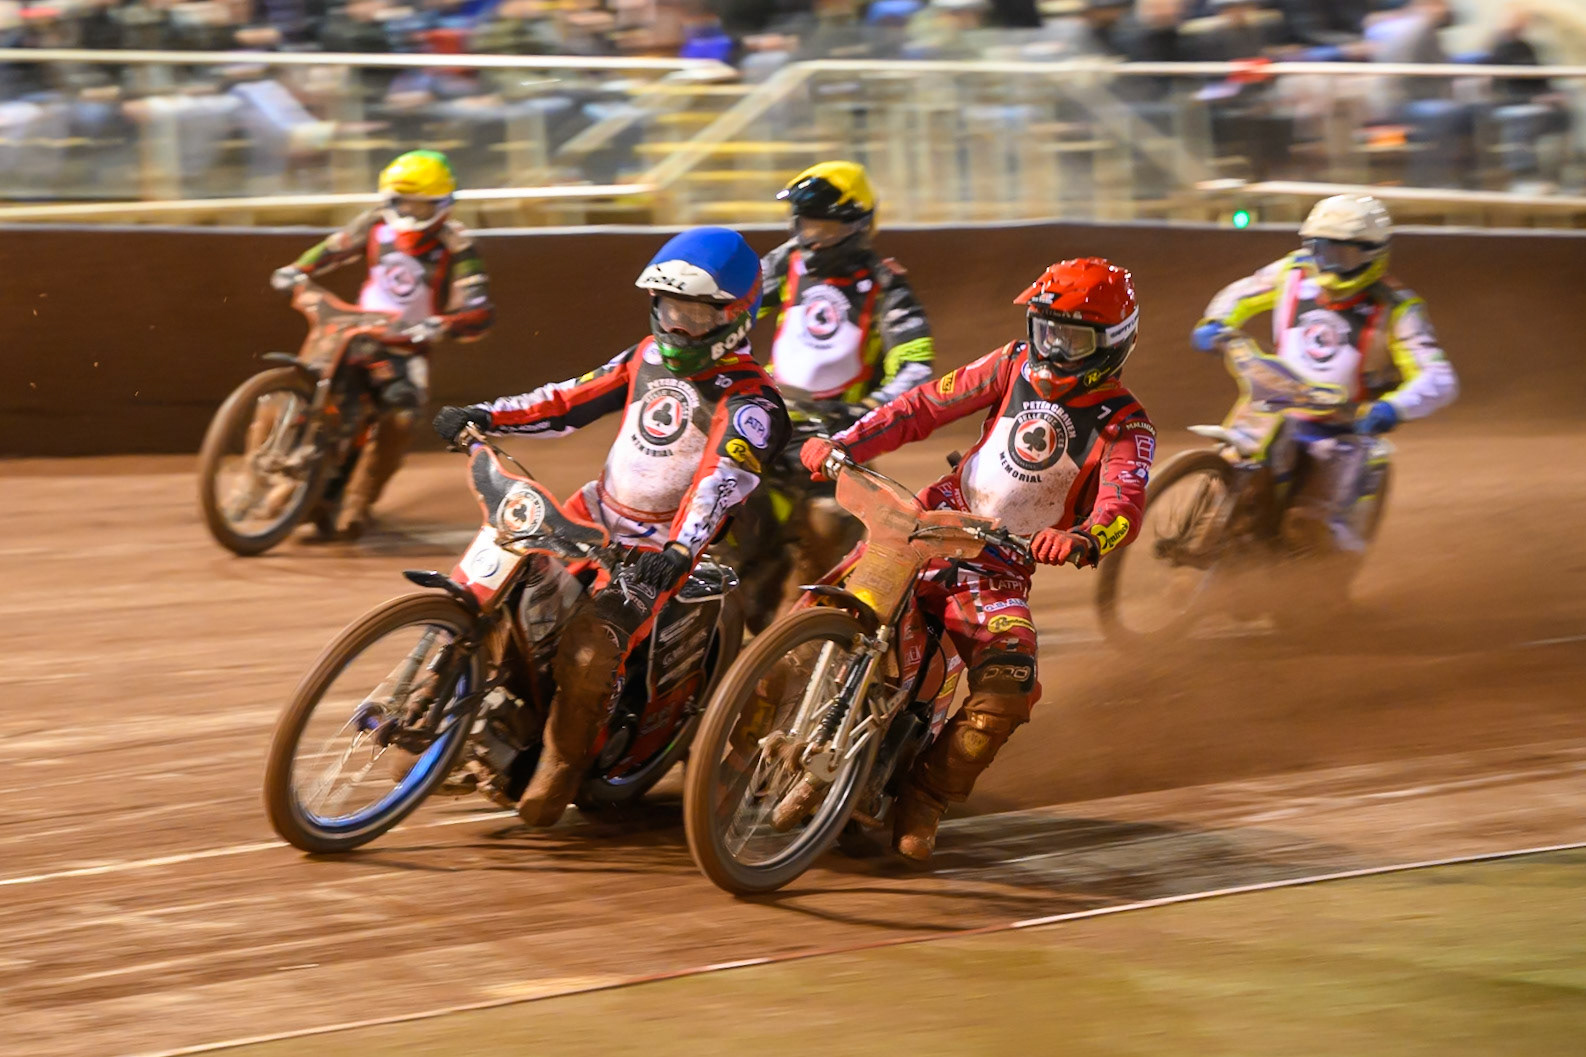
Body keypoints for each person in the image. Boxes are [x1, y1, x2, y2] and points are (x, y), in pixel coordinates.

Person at [433, 227, 791, 828]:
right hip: (592, 515)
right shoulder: (643, 357)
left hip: (670, 550)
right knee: (496, 579)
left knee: (589, 647)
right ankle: (430, 700)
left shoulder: (753, 401)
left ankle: (561, 764)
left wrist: (678, 549)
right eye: (670, 310)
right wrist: (485, 413)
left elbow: (720, 478)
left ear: (735, 316)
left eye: (696, 316)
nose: (677, 327)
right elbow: (567, 401)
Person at [800, 257, 1155, 861]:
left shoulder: (1127, 427)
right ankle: (738, 738)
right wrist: (844, 444)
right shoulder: (1010, 363)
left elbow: (1125, 501)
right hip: (925, 525)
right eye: (1044, 329)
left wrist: (1087, 538)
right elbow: (920, 408)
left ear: (1111, 344)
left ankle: (927, 795)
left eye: (1070, 338)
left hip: (999, 566)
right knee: (811, 611)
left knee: (1009, 685)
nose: (1051, 348)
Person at [1191, 194, 1457, 557]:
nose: (1327, 263)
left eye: (1341, 254)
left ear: (1372, 253)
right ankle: (1201, 557)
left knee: (1308, 525)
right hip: (1271, 408)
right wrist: (1217, 322)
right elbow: (1241, 293)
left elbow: (1439, 377)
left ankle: (1324, 593)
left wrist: (1393, 408)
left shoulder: (1398, 307)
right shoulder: (1292, 272)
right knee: (1227, 475)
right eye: (1320, 249)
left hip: (1343, 430)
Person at [270, 149, 493, 539]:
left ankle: (362, 497)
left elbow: (475, 303)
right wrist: (297, 269)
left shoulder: (455, 242)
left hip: (406, 343)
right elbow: (333, 248)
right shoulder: (374, 224)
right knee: (306, 378)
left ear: (443, 205)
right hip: (356, 330)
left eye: (422, 206)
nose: (411, 213)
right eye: (403, 203)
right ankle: (282, 461)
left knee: (402, 416)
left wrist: (444, 323)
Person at [747, 161, 935, 617]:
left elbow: (915, 366)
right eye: (807, 224)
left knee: (826, 536)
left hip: (838, 437)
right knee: (726, 500)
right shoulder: (786, 262)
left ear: (858, 226)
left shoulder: (887, 285)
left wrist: (868, 411)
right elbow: (732, 310)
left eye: (826, 227)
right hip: (771, 419)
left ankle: (814, 631)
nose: (813, 236)